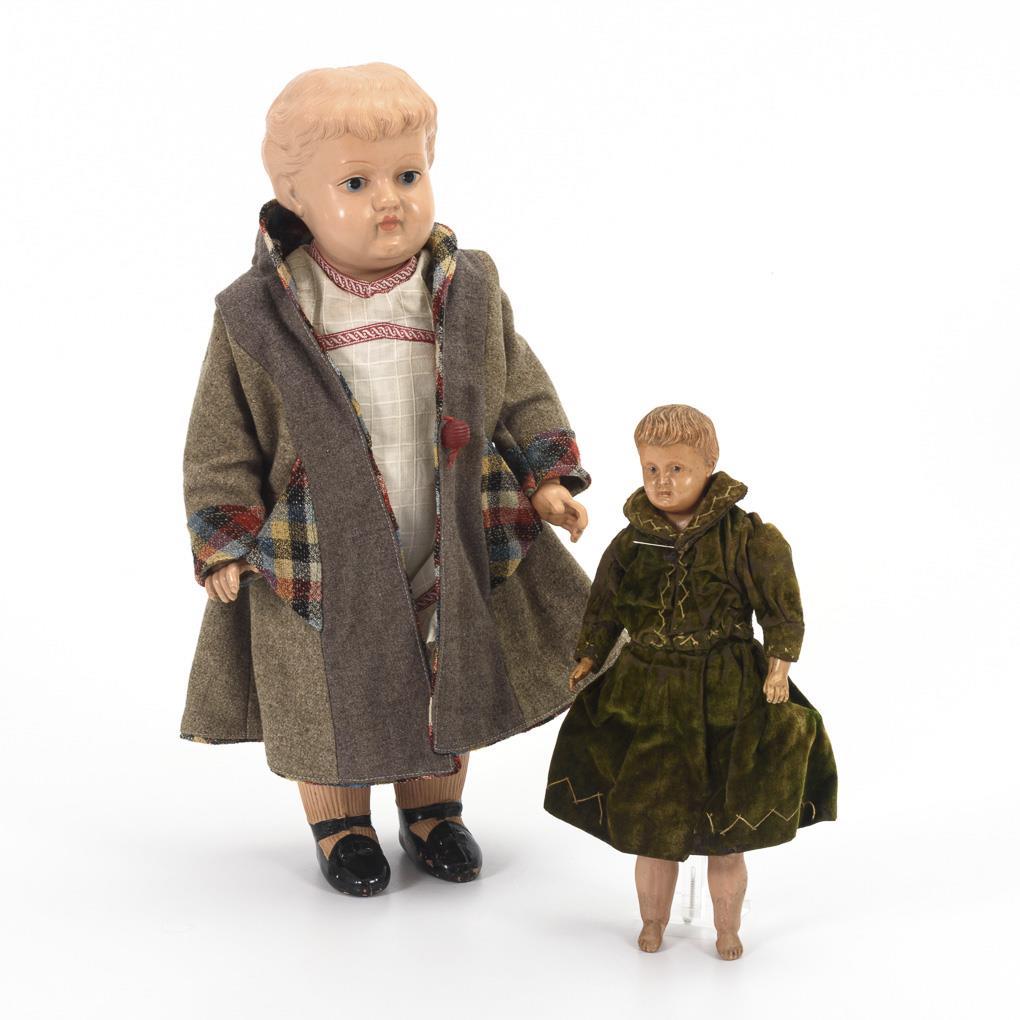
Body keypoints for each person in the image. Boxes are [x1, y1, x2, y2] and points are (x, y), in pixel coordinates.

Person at [183, 63, 592, 896]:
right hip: (319, 552)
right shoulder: (259, 314)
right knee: (332, 687)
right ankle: (341, 823)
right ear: (294, 196)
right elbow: (221, 438)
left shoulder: (466, 289)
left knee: (450, 665)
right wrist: (224, 539)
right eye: (356, 183)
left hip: (449, 531)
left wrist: (547, 476)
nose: (390, 201)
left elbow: (519, 386)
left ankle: (434, 809)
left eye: (409, 174)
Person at [544, 404, 836, 958]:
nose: (663, 481)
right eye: (651, 468)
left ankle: (727, 928)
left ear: (708, 464)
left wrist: (779, 664)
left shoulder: (746, 536)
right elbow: (604, 605)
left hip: (726, 688)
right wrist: (589, 654)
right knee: (651, 824)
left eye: (676, 468)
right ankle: (653, 921)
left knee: (726, 828)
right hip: (647, 688)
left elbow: (780, 606)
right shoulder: (631, 542)